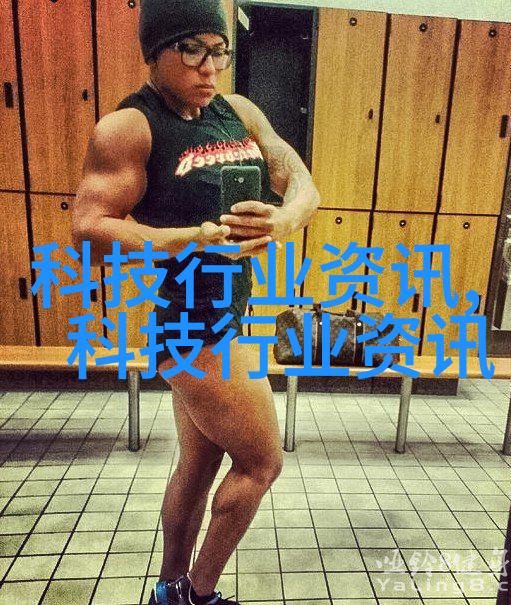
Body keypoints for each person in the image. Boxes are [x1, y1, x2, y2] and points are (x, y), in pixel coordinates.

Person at [72, 1, 320, 603]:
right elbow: (88, 231)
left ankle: (169, 590)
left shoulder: (239, 112)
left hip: (226, 316)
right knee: (262, 464)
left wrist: (284, 219)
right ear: (154, 52)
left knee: (199, 464)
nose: (210, 68)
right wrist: (191, 238)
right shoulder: (130, 127)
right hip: (192, 326)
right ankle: (199, 594)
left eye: (220, 51)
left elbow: (300, 180)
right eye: (192, 50)